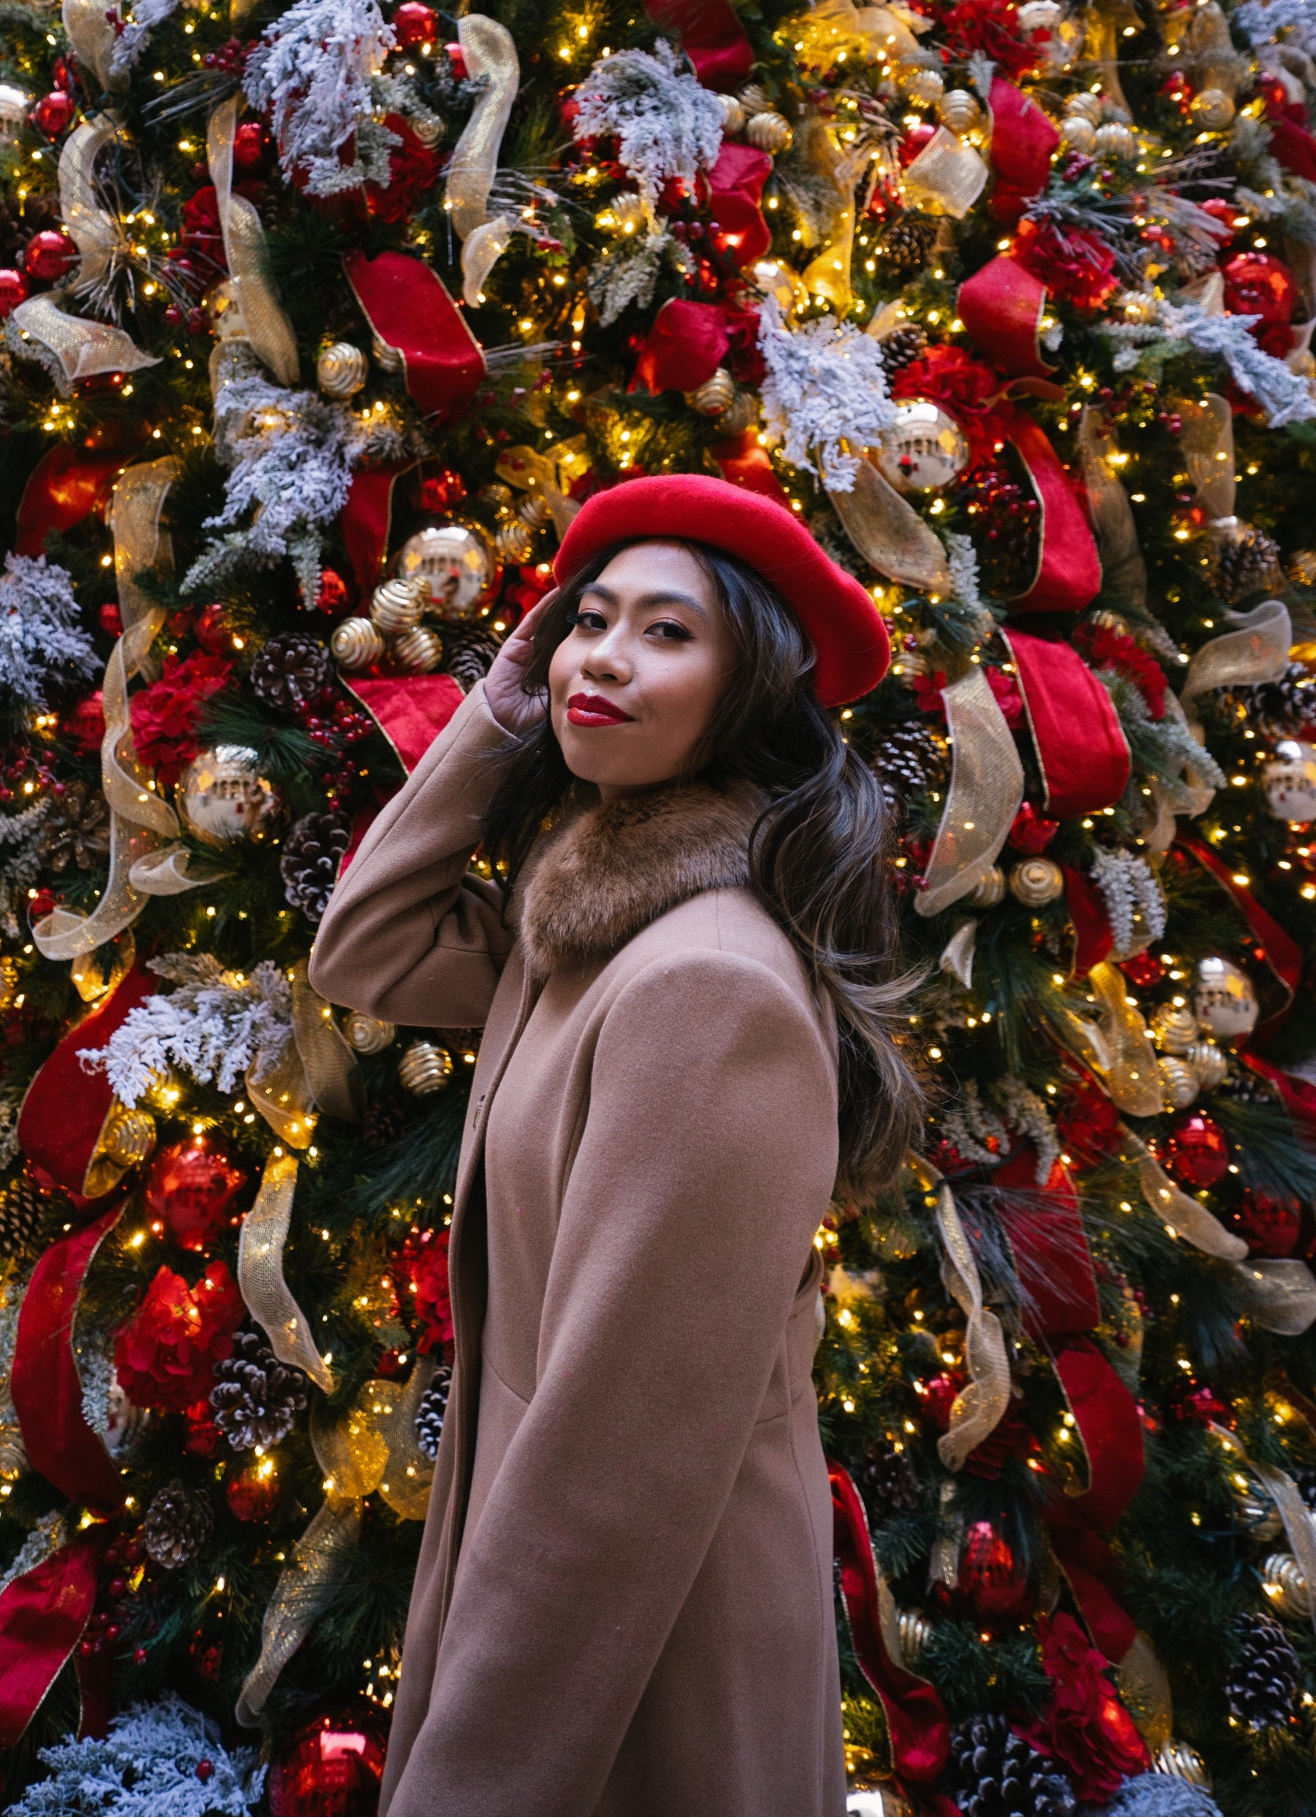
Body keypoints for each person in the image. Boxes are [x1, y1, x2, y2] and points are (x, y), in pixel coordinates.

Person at [310, 474, 926, 1816]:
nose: (605, 655)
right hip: (557, 1606)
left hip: (646, 1654)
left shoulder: (708, 989)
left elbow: (611, 1467)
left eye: (667, 632)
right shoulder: (583, 930)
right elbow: (366, 945)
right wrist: (504, 705)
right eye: (589, 621)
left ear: (748, 689)